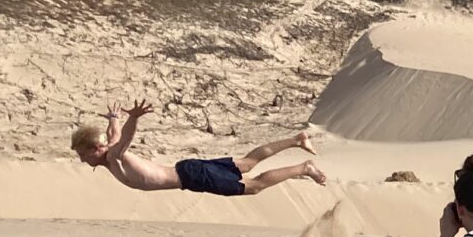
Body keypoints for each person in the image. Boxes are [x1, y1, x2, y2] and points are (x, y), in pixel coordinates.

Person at [73, 100, 325, 196]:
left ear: (96, 148)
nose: (82, 160)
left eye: (83, 154)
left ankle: (304, 167)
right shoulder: (110, 149)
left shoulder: (114, 156)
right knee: (247, 164)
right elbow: (115, 134)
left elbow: (124, 138)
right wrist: (114, 118)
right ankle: (296, 140)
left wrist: (134, 118)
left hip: (191, 176)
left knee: (254, 186)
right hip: (188, 170)